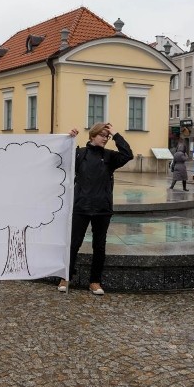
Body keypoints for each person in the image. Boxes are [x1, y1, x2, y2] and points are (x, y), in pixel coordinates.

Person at [59, 122, 133, 295]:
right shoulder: (80, 154)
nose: (105, 139)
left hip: (102, 208)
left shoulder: (109, 156)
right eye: (102, 135)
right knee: (74, 243)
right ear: (92, 136)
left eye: (107, 136)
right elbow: (60, 157)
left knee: (99, 246)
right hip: (81, 206)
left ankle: (95, 281)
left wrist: (115, 134)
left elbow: (127, 154)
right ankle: (65, 277)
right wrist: (68, 138)